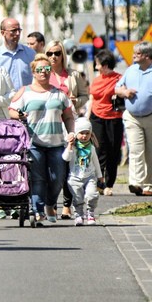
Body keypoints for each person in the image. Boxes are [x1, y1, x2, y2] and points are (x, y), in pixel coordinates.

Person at [9, 54, 75, 224]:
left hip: (56, 143)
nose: (43, 73)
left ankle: (50, 203)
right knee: (38, 179)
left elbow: (68, 116)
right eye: (40, 70)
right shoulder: (25, 91)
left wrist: (71, 133)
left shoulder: (59, 94)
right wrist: (19, 115)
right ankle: (38, 211)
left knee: (58, 178)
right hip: (33, 143)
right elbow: (12, 110)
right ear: (33, 72)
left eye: (47, 69)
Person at [45, 39, 89, 218]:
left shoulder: (73, 75)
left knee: (70, 163)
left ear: (63, 54)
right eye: (50, 53)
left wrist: (75, 101)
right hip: (50, 124)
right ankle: (51, 203)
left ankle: (66, 205)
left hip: (70, 122)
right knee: (54, 165)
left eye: (57, 53)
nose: (53, 57)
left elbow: (85, 95)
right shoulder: (43, 74)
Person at [114, 41, 152, 196]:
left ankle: (149, 185)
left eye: (137, 53)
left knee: (150, 152)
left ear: (147, 56)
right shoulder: (130, 70)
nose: (133, 55)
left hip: (150, 117)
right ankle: (136, 183)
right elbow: (117, 88)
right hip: (132, 117)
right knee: (135, 150)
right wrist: (124, 92)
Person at [86, 50, 123, 196]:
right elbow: (93, 99)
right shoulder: (96, 79)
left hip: (113, 118)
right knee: (99, 150)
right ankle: (98, 182)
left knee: (113, 151)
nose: (96, 67)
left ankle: (109, 183)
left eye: (98, 64)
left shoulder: (119, 79)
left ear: (106, 65)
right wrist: (87, 117)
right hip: (96, 117)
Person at [63, 118, 103, 226]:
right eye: (81, 133)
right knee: (77, 198)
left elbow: (96, 162)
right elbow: (66, 158)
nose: (84, 136)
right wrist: (70, 146)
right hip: (74, 177)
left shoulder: (92, 148)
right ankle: (79, 215)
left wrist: (100, 176)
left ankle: (90, 213)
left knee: (92, 195)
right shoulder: (74, 147)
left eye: (87, 133)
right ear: (76, 134)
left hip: (90, 176)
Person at [0, 18, 36, 91]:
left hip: (26, 99)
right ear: (3, 33)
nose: (17, 34)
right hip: (5, 100)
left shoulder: (30, 54)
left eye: (19, 30)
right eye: (13, 31)